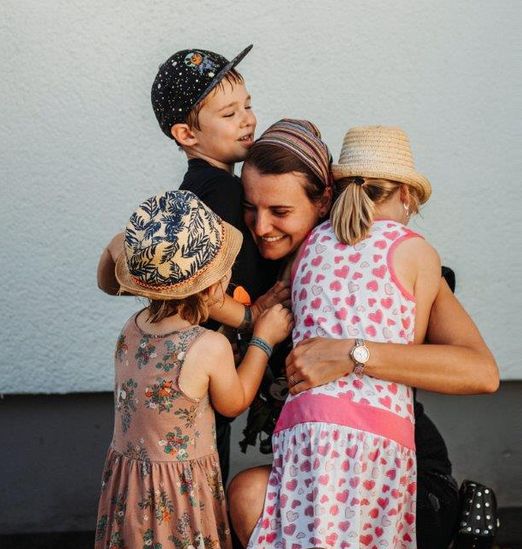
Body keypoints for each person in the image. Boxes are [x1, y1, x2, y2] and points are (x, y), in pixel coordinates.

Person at [96, 119, 498, 548]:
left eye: (280, 212)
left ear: (323, 202)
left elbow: (481, 372)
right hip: (315, 469)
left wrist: (353, 353)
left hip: (397, 469)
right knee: (246, 495)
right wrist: (246, 316)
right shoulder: (239, 266)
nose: (261, 226)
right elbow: (132, 274)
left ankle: (462, 528)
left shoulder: (382, 264)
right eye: (250, 207)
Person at [96, 45, 289, 483]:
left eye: (248, 106)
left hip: (184, 366)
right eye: (229, 113)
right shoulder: (220, 193)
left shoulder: (193, 191)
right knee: (201, 471)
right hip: (204, 363)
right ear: (186, 134)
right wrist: (251, 319)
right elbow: (198, 289)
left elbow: (119, 272)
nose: (247, 120)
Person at [246, 125, 441, 547]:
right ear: (406, 195)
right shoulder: (415, 250)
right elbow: (410, 347)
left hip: (303, 426)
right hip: (378, 430)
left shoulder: (310, 246)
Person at [94, 190, 293, 549]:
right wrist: (264, 340)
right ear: (214, 286)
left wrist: (133, 244)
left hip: (132, 489)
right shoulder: (207, 346)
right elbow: (235, 402)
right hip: (178, 496)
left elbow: (107, 279)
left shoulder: (132, 327)